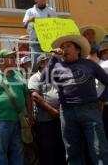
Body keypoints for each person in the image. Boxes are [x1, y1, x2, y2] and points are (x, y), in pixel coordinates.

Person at [41, 34, 108, 165]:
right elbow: (44, 78)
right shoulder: (57, 65)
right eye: (62, 47)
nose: (64, 49)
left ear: (78, 50)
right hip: (67, 113)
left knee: (99, 149)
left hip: (90, 110)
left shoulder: (89, 64)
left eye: (68, 46)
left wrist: (102, 99)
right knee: (72, 152)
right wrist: (54, 58)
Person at [0, 49, 33, 165]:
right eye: (11, 56)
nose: (15, 59)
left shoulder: (19, 74)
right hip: (1, 121)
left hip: (19, 120)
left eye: (15, 56)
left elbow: (27, 95)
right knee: (0, 152)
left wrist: (30, 114)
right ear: (1, 60)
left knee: (18, 151)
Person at [28, 54, 66, 165]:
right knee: (47, 150)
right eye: (46, 62)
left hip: (60, 119)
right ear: (40, 64)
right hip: (45, 121)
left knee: (61, 148)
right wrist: (52, 111)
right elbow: (35, 96)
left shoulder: (57, 77)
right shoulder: (35, 77)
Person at [23, 0, 57, 72]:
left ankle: (48, 79)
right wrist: (29, 20)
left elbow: (56, 26)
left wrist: (52, 21)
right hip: (35, 42)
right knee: (35, 62)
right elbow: (24, 25)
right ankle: (34, 80)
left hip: (48, 42)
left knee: (49, 62)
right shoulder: (29, 11)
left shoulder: (52, 11)